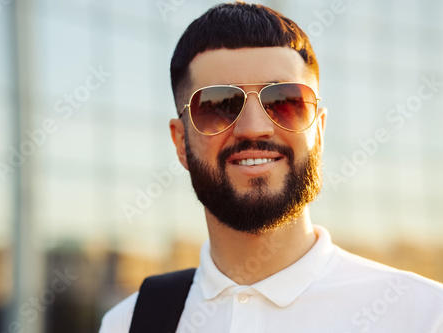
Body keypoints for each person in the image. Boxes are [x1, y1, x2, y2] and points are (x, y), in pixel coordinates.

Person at [100, 3, 443, 332]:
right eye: (218, 105)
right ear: (180, 143)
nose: (253, 128)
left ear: (319, 132)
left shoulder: (424, 316)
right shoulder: (128, 323)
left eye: (284, 102)